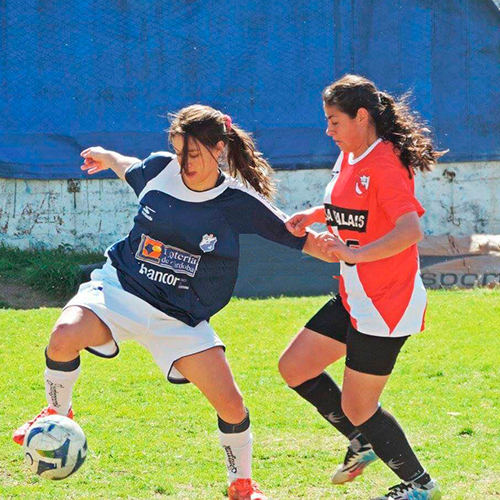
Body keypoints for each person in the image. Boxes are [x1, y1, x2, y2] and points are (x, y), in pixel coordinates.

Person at [13, 104, 331, 500]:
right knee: (63, 335)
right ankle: (58, 415)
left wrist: (347, 251)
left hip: (180, 317)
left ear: (218, 149)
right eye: (179, 151)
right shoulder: (160, 169)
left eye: (193, 153)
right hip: (121, 290)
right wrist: (104, 155)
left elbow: (299, 237)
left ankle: (242, 486)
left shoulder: (237, 201)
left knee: (231, 405)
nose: (183, 162)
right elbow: (127, 164)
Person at [280, 75, 445, 500]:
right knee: (295, 367)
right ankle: (364, 440)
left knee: (359, 406)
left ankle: (420, 485)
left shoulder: (384, 163)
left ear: (362, 117)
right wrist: (317, 213)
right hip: (356, 295)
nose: (328, 130)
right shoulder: (352, 154)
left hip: (386, 302)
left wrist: (355, 254)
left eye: (334, 121)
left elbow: (410, 231)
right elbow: (352, 206)